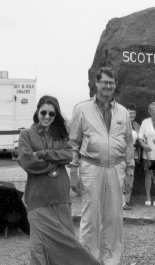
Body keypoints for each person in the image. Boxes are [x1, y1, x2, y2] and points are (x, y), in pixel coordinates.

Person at [18, 95, 100, 265]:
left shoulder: (61, 136)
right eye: (44, 112)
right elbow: (28, 163)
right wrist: (56, 162)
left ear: (56, 116)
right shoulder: (26, 135)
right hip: (37, 200)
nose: (47, 117)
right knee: (37, 248)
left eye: (51, 114)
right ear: (37, 112)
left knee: (68, 247)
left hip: (61, 198)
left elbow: (69, 155)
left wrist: (42, 154)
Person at [68, 67, 134, 265]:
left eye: (111, 83)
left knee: (114, 217)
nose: (108, 86)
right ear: (96, 83)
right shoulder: (82, 109)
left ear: (115, 85)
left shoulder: (122, 112)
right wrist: (73, 171)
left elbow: (129, 144)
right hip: (91, 168)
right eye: (104, 82)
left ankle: (111, 260)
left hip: (116, 168)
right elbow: (73, 143)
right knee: (91, 218)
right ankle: (89, 260)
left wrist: (130, 171)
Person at [138, 101, 155, 207]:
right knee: (148, 175)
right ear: (149, 111)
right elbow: (140, 136)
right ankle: (147, 197)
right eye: (154, 110)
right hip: (148, 153)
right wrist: (143, 145)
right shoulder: (145, 122)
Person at [123, 102, 141, 210]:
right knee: (121, 177)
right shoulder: (121, 124)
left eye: (134, 113)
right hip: (122, 153)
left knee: (130, 176)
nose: (132, 115)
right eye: (130, 113)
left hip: (133, 154)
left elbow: (139, 138)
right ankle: (119, 201)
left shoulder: (137, 125)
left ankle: (126, 201)